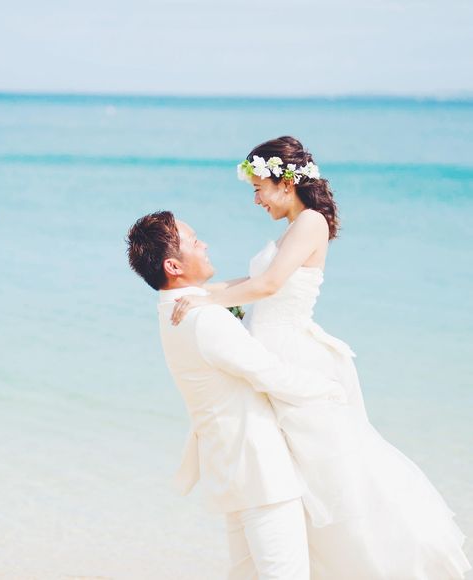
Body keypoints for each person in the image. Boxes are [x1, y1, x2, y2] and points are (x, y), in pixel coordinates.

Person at [171, 136, 471, 579]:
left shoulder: (310, 222)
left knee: (331, 476)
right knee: (293, 475)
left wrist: (209, 302)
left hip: (292, 355)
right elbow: (251, 281)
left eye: (258, 188)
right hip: (272, 349)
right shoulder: (294, 227)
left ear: (285, 182)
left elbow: (269, 286)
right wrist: (196, 293)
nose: (255, 199)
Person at [126, 211, 347, 579]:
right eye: (193, 241)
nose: (204, 245)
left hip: (229, 470)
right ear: (173, 266)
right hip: (260, 472)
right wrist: (332, 390)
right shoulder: (204, 319)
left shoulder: (171, 311)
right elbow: (271, 375)